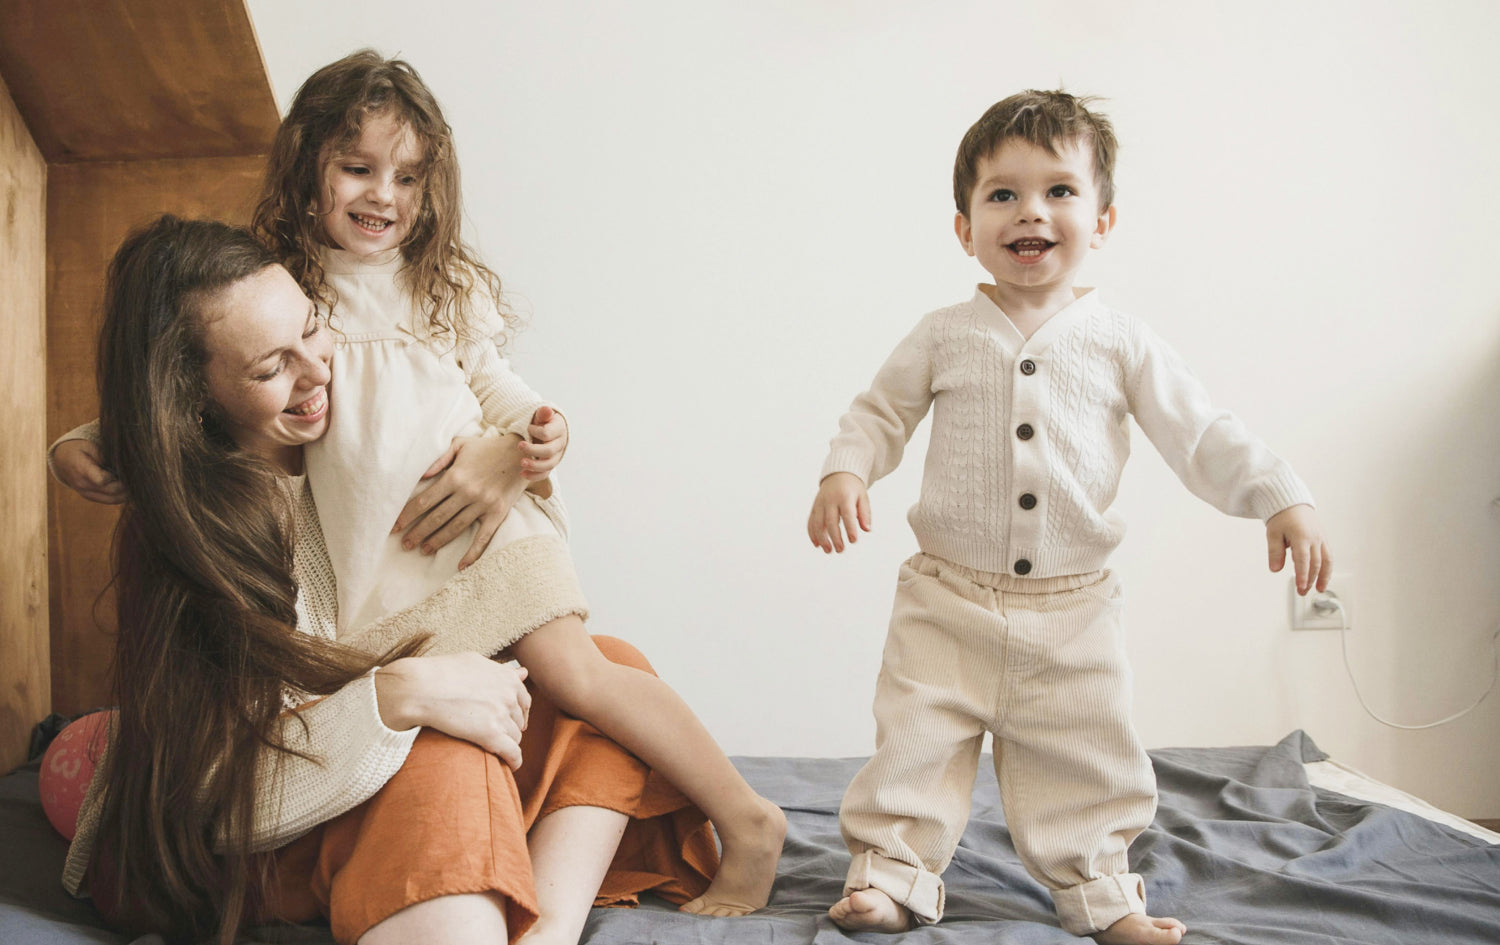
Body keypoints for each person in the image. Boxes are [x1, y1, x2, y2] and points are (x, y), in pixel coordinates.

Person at [49, 216, 718, 945]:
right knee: (447, 750)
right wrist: (400, 696)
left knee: (606, 674)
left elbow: (477, 410)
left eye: (313, 327)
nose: (318, 370)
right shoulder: (191, 531)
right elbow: (218, 796)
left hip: (361, 760)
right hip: (262, 826)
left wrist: (506, 452)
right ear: (193, 396)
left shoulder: (353, 437)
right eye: (271, 368)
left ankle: (544, 933)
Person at [806, 90, 1331, 944]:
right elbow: (878, 413)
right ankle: (892, 875)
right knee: (915, 744)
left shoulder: (1121, 341)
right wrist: (845, 469)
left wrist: (1281, 494)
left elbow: (1200, 433)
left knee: (1088, 757)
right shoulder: (943, 334)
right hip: (946, 601)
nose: (1031, 212)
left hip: (1073, 609)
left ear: (1104, 217)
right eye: (1002, 194)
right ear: (963, 226)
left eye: (1059, 190)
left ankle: (1098, 892)